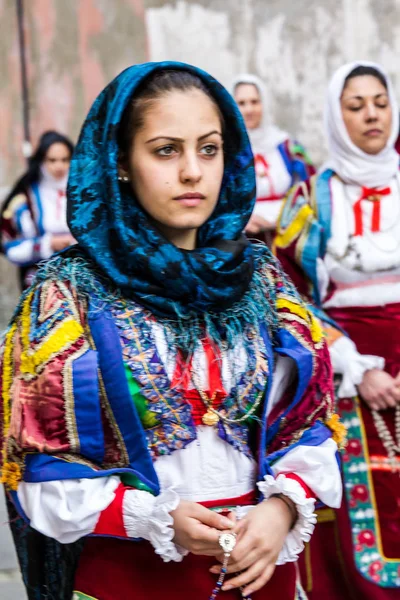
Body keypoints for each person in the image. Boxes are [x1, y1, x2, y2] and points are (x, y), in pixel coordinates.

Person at [0, 62, 343, 600]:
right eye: (166, 150)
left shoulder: (263, 281)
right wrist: (151, 516)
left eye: (209, 149)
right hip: (131, 578)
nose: (192, 171)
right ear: (120, 163)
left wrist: (282, 508)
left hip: (260, 575)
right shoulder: (67, 296)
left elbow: (311, 425)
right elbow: (40, 471)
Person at [275, 61, 400, 599]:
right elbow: (288, 294)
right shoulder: (310, 200)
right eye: (355, 106)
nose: (371, 115)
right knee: (362, 506)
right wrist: (354, 365)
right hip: (350, 377)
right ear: (335, 114)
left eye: (379, 102)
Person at [232, 75, 315, 243]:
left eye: (255, 102)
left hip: (286, 236)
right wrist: (240, 220)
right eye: (242, 103)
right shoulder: (226, 149)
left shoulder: (287, 146)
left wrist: (286, 217)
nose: (249, 109)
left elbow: (310, 188)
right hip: (243, 242)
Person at [0, 130, 75, 290]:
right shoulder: (25, 198)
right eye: (52, 160)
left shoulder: (84, 192)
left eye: (65, 160)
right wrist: (46, 244)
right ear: (42, 161)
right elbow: (9, 247)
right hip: (39, 282)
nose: (59, 166)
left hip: (81, 281)